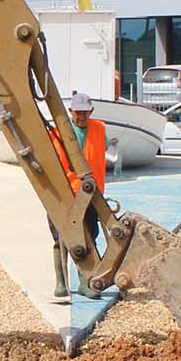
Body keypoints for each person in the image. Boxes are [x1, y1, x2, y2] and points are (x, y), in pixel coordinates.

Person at [47, 91, 109, 297]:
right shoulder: (58, 132)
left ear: (91, 111)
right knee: (61, 237)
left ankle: (86, 281)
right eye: (78, 112)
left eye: (85, 112)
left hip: (91, 193)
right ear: (71, 111)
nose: (81, 116)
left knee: (89, 235)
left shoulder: (99, 129)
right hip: (65, 192)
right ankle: (61, 283)